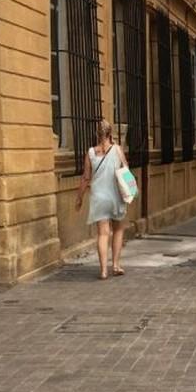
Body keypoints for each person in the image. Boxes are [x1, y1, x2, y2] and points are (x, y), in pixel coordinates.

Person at [76, 120, 130, 280]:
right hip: (116, 196)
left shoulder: (91, 152)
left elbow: (86, 178)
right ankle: (115, 265)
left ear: (97, 134)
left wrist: (79, 197)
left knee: (102, 234)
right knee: (118, 230)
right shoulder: (118, 150)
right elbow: (125, 170)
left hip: (98, 197)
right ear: (110, 133)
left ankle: (103, 271)